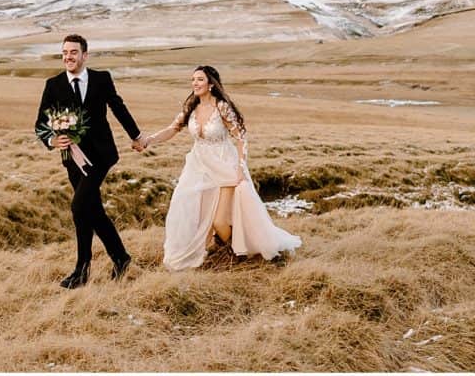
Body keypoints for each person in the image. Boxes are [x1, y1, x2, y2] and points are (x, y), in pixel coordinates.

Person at [135, 65, 301, 270]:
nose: (195, 83)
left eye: (200, 79)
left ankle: (238, 252)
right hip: (198, 168)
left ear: (211, 84)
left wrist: (241, 167)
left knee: (220, 222)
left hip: (225, 167)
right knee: (187, 209)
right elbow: (172, 129)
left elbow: (241, 137)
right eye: (193, 79)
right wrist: (148, 140)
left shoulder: (222, 107)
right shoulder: (190, 108)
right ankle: (223, 253)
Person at [35, 34, 144, 289]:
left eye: (73, 52)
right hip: (72, 158)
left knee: (79, 207)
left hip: (101, 155)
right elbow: (41, 123)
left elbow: (118, 108)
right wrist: (53, 140)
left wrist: (137, 136)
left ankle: (81, 270)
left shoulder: (101, 79)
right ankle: (121, 259)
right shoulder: (53, 85)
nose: (68, 57)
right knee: (93, 210)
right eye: (64, 52)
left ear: (85, 55)